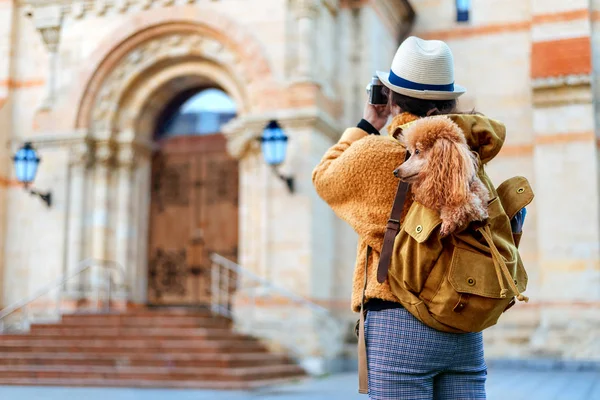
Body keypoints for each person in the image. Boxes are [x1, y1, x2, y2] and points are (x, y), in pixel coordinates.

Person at [312, 36, 509, 400]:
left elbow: (323, 176)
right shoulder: (469, 156)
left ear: (391, 98)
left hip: (398, 321)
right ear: (450, 102)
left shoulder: (378, 153)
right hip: (463, 321)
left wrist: (368, 122)